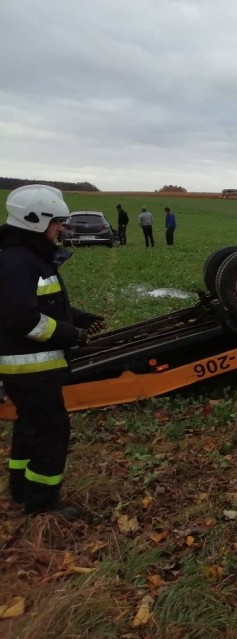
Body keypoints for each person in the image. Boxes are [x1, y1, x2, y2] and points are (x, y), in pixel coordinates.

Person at [0, 185, 105, 518]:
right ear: (35, 221)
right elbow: (24, 319)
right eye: (57, 222)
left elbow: (41, 304)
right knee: (51, 431)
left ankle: (21, 488)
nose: (61, 228)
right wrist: (70, 333)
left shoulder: (22, 256)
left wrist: (77, 317)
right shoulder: (19, 263)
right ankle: (42, 504)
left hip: (26, 369)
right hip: (31, 369)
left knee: (30, 425)